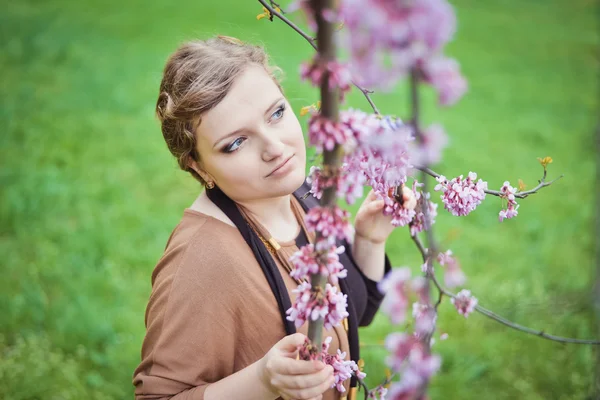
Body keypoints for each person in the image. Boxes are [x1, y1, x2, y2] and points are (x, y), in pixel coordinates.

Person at [133, 36, 399, 400]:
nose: (275, 148)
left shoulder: (302, 194)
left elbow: (355, 315)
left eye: (276, 113)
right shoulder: (201, 260)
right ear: (197, 165)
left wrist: (369, 240)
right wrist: (262, 380)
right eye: (236, 143)